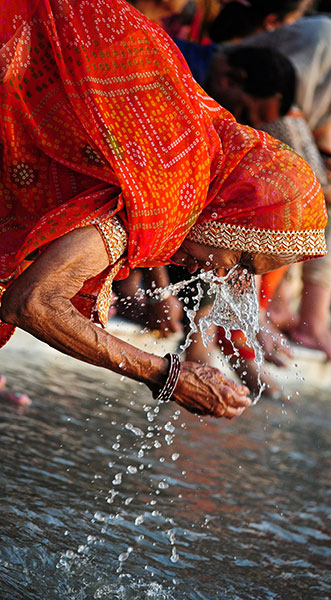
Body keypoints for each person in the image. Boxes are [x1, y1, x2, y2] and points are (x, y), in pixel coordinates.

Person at [0, 0, 327, 419]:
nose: (222, 274)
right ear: (235, 218)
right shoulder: (173, 188)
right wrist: (166, 375)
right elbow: (32, 302)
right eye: (240, 259)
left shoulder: (204, 143)